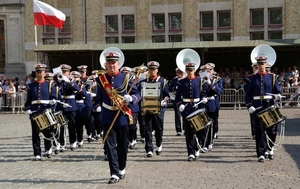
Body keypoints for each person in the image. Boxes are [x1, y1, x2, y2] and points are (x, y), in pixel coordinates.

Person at [94, 50, 141, 184]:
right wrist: (97, 106)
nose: (112, 65)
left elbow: (138, 94)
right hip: (107, 115)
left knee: (122, 146)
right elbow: (99, 97)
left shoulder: (127, 78)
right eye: (109, 63)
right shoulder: (101, 79)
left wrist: (131, 98)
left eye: (114, 63)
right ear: (106, 64)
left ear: (118, 63)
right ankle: (114, 173)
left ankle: (121, 168)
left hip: (122, 116)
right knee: (110, 146)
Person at [244, 55, 281, 163]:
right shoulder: (251, 78)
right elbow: (247, 95)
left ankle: (270, 148)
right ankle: (261, 153)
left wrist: (277, 96)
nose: (261, 66)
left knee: (272, 130)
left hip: (269, 106)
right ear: (256, 65)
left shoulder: (272, 77)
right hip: (257, 107)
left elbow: (278, 91)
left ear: (266, 64)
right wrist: (249, 105)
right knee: (259, 131)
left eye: (263, 63)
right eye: (259, 64)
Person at [24, 64, 57, 160]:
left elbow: (53, 98)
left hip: (45, 111)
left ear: (44, 72)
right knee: (35, 134)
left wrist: (52, 104)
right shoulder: (31, 86)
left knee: (47, 132)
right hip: (35, 112)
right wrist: (28, 108)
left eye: (41, 72)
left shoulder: (49, 85)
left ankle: (48, 149)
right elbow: (28, 101)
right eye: (37, 72)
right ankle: (37, 153)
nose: (39, 74)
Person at [175, 62, 206, 161]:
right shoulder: (181, 82)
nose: (189, 72)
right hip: (187, 108)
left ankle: (197, 147)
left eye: (191, 70)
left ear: (195, 70)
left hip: (197, 108)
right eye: (188, 70)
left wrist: (204, 98)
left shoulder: (199, 81)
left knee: (199, 131)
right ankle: (191, 153)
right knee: (188, 132)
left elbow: (203, 93)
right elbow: (177, 98)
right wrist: (180, 105)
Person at [139, 61, 169, 158]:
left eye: (154, 69)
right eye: (150, 69)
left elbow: (167, 95)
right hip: (147, 108)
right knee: (147, 128)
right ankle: (149, 149)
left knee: (159, 129)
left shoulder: (162, 81)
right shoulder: (143, 81)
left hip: (159, 108)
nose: (152, 71)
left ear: (157, 70)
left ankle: (159, 144)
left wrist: (164, 102)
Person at [55, 64, 80, 151]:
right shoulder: (59, 82)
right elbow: (56, 91)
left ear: (69, 73)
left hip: (71, 105)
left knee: (72, 125)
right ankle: (62, 144)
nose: (64, 73)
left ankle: (73, 142)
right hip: (62, 104)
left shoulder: (73, 81)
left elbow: (77, 89)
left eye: (65, 72)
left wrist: (69, 82)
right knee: (61, 125)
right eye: (62, 72)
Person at [77, 65, 95, 142]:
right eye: (80, 72)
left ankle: (90, 134)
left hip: (87, 102)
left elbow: (93, 87)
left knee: (88, 120)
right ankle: (80, 138)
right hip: (78, 102)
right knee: (79, 122)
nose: (82, 73)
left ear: (85, 71)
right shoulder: (76, 79)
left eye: (83, 72)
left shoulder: (89, 79)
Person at [168, 68, 184, 136]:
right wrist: (175, 87)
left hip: (184, 98)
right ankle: (178, 130)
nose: (180, 74)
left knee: (185, 115)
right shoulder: (173, 80)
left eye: (181, 72)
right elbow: (169, 88)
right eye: (178, 72)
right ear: (176, 73)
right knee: (177, 114)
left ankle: (186, 129)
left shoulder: (185, 80)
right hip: (177, 98)